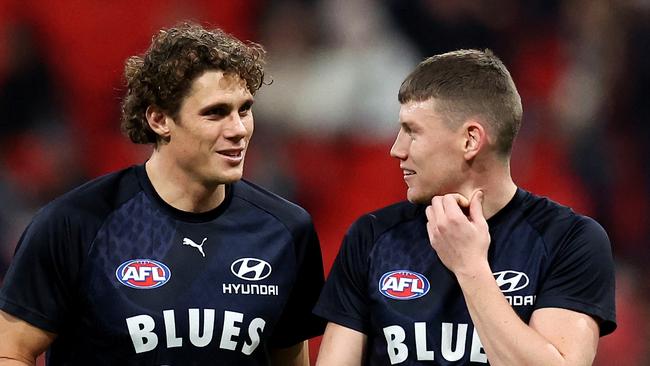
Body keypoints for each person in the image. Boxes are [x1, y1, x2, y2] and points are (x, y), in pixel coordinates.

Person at [0, 22, 325, 365]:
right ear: (159, 119)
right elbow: (11, 350)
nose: (238, 129)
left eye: (244, 109)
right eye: (215, 113)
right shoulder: (76, 224)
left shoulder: (286, 230)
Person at [314, 49, 616, 365]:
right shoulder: (373, 237)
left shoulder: (569, 240)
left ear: (471, 140)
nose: (396, 150)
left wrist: (470, 267)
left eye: (412, 132)